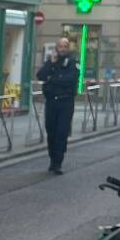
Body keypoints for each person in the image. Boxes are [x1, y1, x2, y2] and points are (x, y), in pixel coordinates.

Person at [38, 34, 81, 175]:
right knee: (51, 132)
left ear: (68, 48)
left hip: (66, 102)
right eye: (60, 46)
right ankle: (52, 159)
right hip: (51, 102)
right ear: (56, 48)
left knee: (61, 133)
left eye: (65, 47)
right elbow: (41, 76)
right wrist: (50, 64)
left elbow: (70, 80)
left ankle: (58, 162)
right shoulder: (51, 61)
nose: (62, 49)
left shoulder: (73, 62)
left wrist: (52, 78)